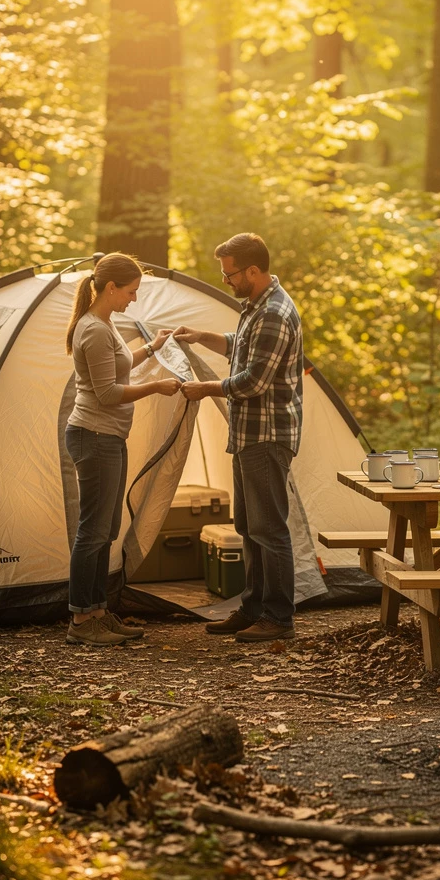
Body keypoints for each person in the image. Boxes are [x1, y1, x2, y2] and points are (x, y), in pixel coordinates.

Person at [173, 233, 304, 643]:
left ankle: (279, 619)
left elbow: (254, 381)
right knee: (248, 526)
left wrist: (205, 388)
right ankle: (252, 608)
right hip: (249, 435)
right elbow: (240, 347)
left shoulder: (276, 313)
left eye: (230, 274)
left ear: (253, 270)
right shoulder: (255, 307)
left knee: (269, 529)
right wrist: (201, 337)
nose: (226, 280)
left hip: (267, 435)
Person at [64, 252, 180, 646]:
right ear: (111, 288)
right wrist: (156, 387)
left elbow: (120, 365)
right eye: (130, 291)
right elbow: (107, 392)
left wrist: (153, 348)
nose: (133, 299)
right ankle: (81, 621)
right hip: (94, 436)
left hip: (108, 438)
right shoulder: (93, 329)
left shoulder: (104, 324)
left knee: (106, 529)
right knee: (92, 530)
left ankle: (97, 610)